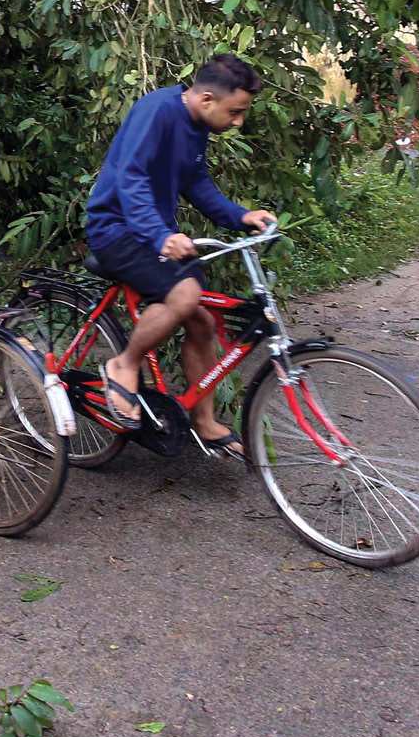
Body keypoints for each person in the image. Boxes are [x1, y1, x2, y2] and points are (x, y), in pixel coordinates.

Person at [85, 54, 277, 459]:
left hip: (154, 235)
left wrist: (241, 216)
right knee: (186, 296)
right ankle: (124, 365)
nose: (238, 121)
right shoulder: (156, 110)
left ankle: (203, 422)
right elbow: (130, 178)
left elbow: (197, 183)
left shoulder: (195, 126)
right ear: (207, 99)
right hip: (116, 230)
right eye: (236, 112)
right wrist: (160, 235)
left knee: (202, 322)